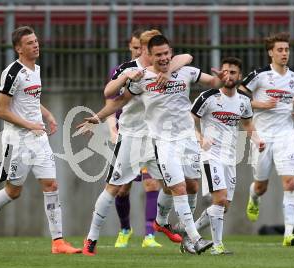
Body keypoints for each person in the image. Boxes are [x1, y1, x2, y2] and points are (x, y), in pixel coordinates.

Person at [79, 34, 229, 255]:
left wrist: (168, 72)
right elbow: (112, 95)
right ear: (146, 52)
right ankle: (91, 238)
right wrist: (102, 117)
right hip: (132, 135)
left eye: (165, 52)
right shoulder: (133, 71)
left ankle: (162, 223)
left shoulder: (173, 66)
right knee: (116, 186)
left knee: (175, 186)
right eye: (140, 48)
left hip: (158, 137)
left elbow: (187, 57)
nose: (161, 56)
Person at [0, 26, 81, 254]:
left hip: (38, 139)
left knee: (51, 185)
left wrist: (46, 114)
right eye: (30, 43)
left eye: (36, 41)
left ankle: (58, 242)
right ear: (19, 48)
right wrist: (29, 125)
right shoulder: (12, 73)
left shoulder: (35, 69)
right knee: (13, 191)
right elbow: (0, 109)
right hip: (17, 141)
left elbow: (29, 101)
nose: (36, 45)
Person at [181, 57, 265, 255]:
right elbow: (188, 120)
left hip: (230, 158)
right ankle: (217, 246)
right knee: (219, 200)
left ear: (240, 76)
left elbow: (247, 124)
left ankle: (188, 231)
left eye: (233, 72)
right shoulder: (208, 97)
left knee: (224, 206)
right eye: (225, 71)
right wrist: (200, 138)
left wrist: (258, 140)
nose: (228, 75)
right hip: (210, 156)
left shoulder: (244, 101)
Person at [241, 32, 294, 246]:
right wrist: (261, 105)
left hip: (286, 135)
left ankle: (288, 234)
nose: (284, 53)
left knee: (291, 183)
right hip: (262, 136)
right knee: (261, 186)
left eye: (286, 49)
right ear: (271, 52)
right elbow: (239, 99)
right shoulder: (258, 76)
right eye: (280, 50)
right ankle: (254, 197)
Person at [105, 29, 166, 248]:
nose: (139, 50)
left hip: (149, 135)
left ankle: (149, 234)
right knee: (122, 188)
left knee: (151, 183)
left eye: (142, 47)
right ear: (131, 48)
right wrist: (112, 128)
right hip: (127, 134)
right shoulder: (123, 71)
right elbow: (111, 103)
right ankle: (125, 229)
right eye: (135, 47)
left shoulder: (158, 72)